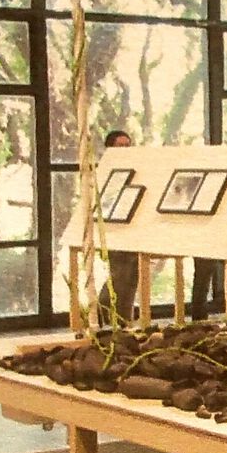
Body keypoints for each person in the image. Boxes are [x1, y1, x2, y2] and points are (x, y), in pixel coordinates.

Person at [99, 129, 138, 320]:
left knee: (131, 278)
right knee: (118, 277)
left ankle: (124, 319)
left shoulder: (135, 171)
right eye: (121, 146)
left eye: (128, 145)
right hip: (113, 231)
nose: (126, 150)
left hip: (132, 230)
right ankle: (102, 315)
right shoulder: (106, 173)